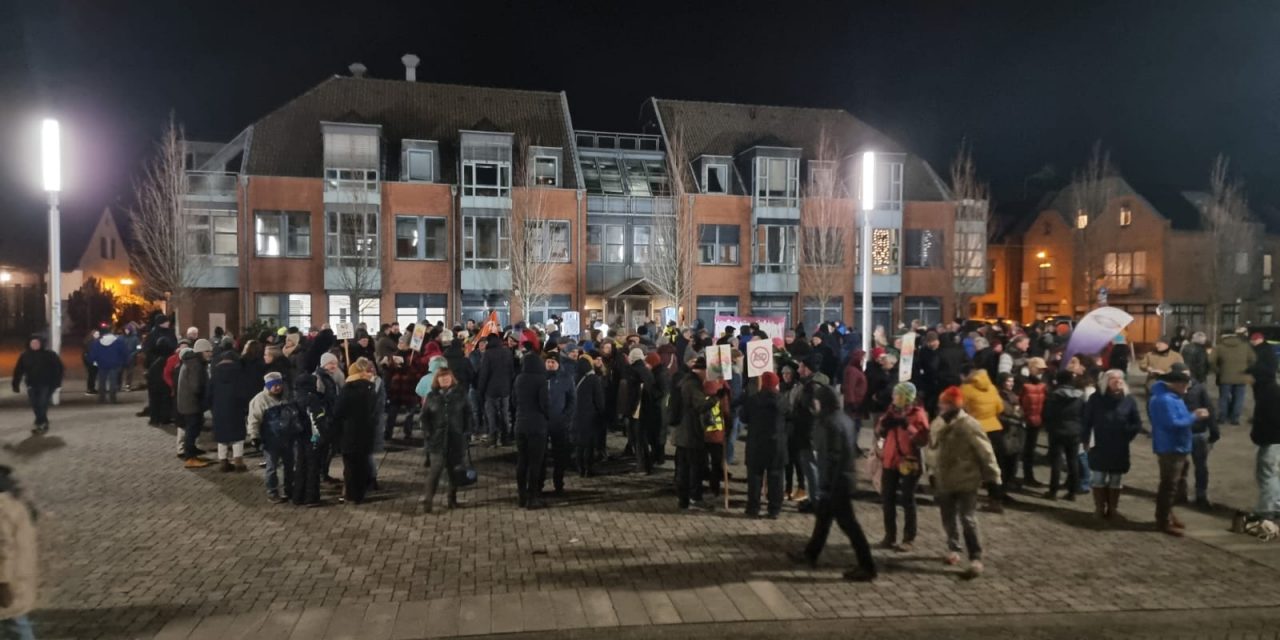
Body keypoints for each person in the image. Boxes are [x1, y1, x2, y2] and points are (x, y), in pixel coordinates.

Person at [788, 385, 877, 582]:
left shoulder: (829, 422)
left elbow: (833, 456)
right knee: (823, 520)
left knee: (850, 526)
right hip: (838, 479)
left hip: (837, 482)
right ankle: (810, 554)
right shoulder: (841, 418)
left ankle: (867, 565)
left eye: (817, 401)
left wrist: (827, 484)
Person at [926, 386, 1001, 578]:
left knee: (968, 518)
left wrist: (993, 476)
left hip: (966, 478)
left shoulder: (969, 424)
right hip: (944, 479)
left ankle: (975, 556)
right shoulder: (938, 423)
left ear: (953, 404)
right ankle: (954, 548)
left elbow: (985, 450)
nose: (940, 405)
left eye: (944, 402)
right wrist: (930, 471)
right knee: (947, 517)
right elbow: (932, 449)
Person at [1148, 367, 1209, 536]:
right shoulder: (1165, 400)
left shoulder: (1172, 397)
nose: (1187, 388)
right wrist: (1194, 416)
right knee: (1169, 485)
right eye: (1184, 385)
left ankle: (1167, 515)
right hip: (1171, 446)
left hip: (1177, 445)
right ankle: (1163, 520)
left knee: (1172, 483)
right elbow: (1173, 423)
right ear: (1174, 384)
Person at [1082, 369, 1142, 520]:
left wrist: (1127, 433)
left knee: (1116, 478)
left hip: (1119, 445)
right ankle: (1099, 508)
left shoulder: (1128, 400)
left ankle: (1113, 509)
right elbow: (1087, 421)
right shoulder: (1096, 399)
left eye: (1120, 379)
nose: (1118, 382)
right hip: (1100, 444)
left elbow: (1136, 422)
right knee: (1099, 477)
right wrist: (1085, 439)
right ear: (1106, 382)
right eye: (1114, 379)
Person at [876, 382, 929, 551]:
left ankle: (908, 538)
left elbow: (923, 440)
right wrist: (883, 426)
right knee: (887, 499)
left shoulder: (918, 414)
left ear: (905, 397)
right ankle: (889, 536)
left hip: (909, 461)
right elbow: (879, 430)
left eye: (897, 394)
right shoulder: (891, 410)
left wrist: (908, 426)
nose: (894, 397)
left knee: (907, 499)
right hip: (890, 460)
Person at [420, 366, 470, 513]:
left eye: (447, 377)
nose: (444, 380)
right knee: (435, 470)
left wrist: (466, 432)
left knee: (454, 471)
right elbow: (424, 417)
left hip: (455, 438)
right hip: (438, 440)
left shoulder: (461, 394)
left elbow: (468, 414)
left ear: (451, 378)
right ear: (437, 380)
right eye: (441, 378)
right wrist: (428, 433)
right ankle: (428, 499)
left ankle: (452, 499)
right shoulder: (431, 396)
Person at [333, 359, 379, 505]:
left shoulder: (348, 390)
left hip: (350, 432)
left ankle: (351, 495)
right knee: (362, 463)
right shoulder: (371, 388)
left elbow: (338, 412)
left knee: (351, 466)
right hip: (366, 431)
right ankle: (360, 493)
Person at [0, 464, 38, 640]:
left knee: (15, 625)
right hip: (19, 576)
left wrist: (3, 582)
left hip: (7, 582)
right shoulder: (14, 503)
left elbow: (3, 550)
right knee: (17, 623)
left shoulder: (2, 509)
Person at [1174, 362, 1218, 510]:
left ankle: (1201, 495)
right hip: (1179, 433)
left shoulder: (1199, 388)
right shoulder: (1170, 390)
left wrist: (1214, 430)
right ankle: (1180, 493)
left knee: (1200, 466)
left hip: (1197, 433)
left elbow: (1209, 409)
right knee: (1179, 466)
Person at [960, 367, 1006, 509]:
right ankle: (996, 499)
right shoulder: (992, 388)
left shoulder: (965, 388)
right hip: (995, 428)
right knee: (992, 465)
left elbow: (958, 407)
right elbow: (1000, 408)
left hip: (975, 429)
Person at [674, 358, 717, 510]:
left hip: (681, 433)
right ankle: (694, 498)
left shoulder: (684, 381)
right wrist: (714, 398)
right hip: (691, 433)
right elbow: (700, 405)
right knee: (694, 468)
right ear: (702, 370)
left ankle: (683, 499)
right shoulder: (693, 384)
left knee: (683, 468)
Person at [743, 371, 785, 519]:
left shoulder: (753, 400)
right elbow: (791, 417)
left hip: (756, 443)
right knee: (776, 477)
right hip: (776, 444)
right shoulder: (782, 400)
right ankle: (774, 509)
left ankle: (753, 507)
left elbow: (743, 417)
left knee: (754, 477)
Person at [248, 372, 296, 502]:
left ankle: (289, 489)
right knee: (272, 467)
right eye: (273, 385)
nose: (277, 388)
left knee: (289, 465)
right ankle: (272, 491)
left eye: (278, 385)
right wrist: (254, 436)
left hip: (287, 438)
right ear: (268, 386)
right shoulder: (259, 400)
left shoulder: (287, 396)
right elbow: (254, 419)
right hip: (271, 439)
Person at [513, 353, 550, 509]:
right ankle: (533, 497)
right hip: (537, 425)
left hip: (520, 423)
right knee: (535, 463)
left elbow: (514, 401)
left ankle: (521, 496)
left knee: (522, 460)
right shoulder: (541, 380)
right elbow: (544, 403)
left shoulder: (519, 379)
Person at [1042, 369, 1085, 501]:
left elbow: (1047, 413)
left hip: (1057, 430)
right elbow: (1084, 414)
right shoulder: (1079, 397)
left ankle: (1053, 490)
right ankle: (1072, 492)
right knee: (1073, 461)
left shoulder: (1054, 396)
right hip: (1074, 431)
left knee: (1056, 462)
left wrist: (1048, 426)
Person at [10, 335, 63, 435]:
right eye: (33, 343)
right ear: (29, 344)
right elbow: (18, 370)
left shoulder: (49, 355)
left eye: (37, 343)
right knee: (34, 404)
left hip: (46, 384)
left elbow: (59, 368)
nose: (35, 345)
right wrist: (15, 384)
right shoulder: (25, 355)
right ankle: (43, 420)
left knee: (42, 403)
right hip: (31, 383)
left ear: (41, 344)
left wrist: (57, 382)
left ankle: (40, 423)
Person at [208, 351, 249, 472]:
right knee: (238, 436)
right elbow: (243, 392)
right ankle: (238, 462)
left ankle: (223, 462)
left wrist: (212, 406)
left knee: (222, 436)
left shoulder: (215, 375)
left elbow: (209, 393)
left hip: (219, 408)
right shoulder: (240, 374)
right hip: (236, 408)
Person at [177, 339, 214, 468]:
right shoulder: (196, 365)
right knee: (192, 430)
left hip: (189, 402)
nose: (210, 353)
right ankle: (190, 458)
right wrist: (204, 395)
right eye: (207, 351)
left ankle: (192, 453)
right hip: (191, 404)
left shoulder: (193, 362)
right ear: (200, 352)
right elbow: (196, 386)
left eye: (210, 351)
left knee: (193, 428)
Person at [544, 354, 577, 494]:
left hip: (559, 422)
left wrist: (565, 417)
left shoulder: (566, 378)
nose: (550, 365)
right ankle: (539, 482)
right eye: (548, 362)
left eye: (553, 362)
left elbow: (572, 400)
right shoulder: (541, 378)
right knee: (541, 454)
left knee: (559, 454)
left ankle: (559, 482)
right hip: (543, 422)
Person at [1251, 370, 1280, 522]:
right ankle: (1276, 505)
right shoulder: (1273, 391)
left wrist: (1258, 436)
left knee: (1267, 474)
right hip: (1275, 441)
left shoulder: (1270, 393)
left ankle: (1267, 509)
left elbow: (1266, 420)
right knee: (1273, 474)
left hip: (1272, 441)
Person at [477, 335, 516, 447]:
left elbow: (484, 374)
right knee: (504, 414)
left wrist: (481, 390)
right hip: (505, 389)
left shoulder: (487, 354)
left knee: (491, 414)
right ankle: (505, 438)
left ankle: (492, 438)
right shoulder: (507, 352)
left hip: (491, 390)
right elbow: (511, 371)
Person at [1212, 329, 1256, 425]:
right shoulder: (1245, 346)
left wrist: (1218, 371)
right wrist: (1247, 369)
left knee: (1223, 397)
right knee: (1239, 398)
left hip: (1225, 376)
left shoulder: (1219, 347)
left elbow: (1211, 361)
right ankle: (1235, 419)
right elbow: (1253, 359)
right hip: (1242, 376)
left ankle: (1222, 418)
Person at [572, 356, 606, 477]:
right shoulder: (593, 379)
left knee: (579, 444)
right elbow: (599, 400)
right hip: (590, 415)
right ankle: (588, 467)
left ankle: (580, 467)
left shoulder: (574, 378)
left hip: (576, 415)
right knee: (589, 444)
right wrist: (602, 413)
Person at [1018, 362, 1048, 488]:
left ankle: (1028, 476)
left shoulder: (1044, 384)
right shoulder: (1023, 383)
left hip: (1036, 421)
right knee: (1021, 450)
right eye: (1039, 369)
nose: (1042, 372)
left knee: (1030, 450)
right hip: (1025, 421)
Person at [88, 328, 129, 404]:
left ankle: (102, 398)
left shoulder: (97, 342)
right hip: (114, 364)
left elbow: (93, 354)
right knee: (113, 382)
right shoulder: (119, 342)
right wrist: (124, 362)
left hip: (102, 364)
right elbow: (124, 353)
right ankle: (113, 399)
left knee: (102, 382)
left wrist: (93, 361)